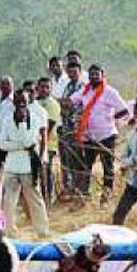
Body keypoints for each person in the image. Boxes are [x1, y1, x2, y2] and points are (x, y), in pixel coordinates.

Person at [70, 63, 129, 205]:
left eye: (97, 74)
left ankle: (106, 196)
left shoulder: (110, 92)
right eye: (92, 74)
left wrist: (111, 118)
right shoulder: (85, 91)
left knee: (107, 167)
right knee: (86, 165)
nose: (94, 76)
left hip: (107, 135)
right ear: (88, 76)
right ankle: (85, 195)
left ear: (103, 76)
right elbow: (71, 101)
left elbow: (124, 110)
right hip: (89, 136)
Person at [0, 89, 50, 238]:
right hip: (12, 165)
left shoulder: (35, 119)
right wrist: (19, 145)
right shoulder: (7, 120)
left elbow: (30, 141)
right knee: (9, 201)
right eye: (18, 101)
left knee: (34, 198)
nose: (21, 104)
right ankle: (8, 231)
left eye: (23, 101)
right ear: (13, 102)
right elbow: (2, 144)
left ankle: (42, 231)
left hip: (28, 166)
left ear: (28, 102)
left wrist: (20, 127)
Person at [56, 57, 88, 196]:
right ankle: (71, 187)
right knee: (68, 159)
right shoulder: (68, 86)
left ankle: (82, 189)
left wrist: (63, 103)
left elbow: (69, 103)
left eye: (74, 72)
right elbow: (63, 105)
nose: (71, 74)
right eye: (69, 72)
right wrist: (63, 104)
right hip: (66, 126)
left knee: (78, 158)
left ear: (80, 71)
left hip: (78, 127)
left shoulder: (82, 86)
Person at [34, 76, 62, 198]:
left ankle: (48, 197)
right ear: (37, 88)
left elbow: (49, 126)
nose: (44, 90)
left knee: (46, 171)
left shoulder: (52, 104)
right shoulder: (34, 102)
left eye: (47, 87)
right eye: (42, 87)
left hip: (48, 143)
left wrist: (41, 142)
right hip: (34, 143)